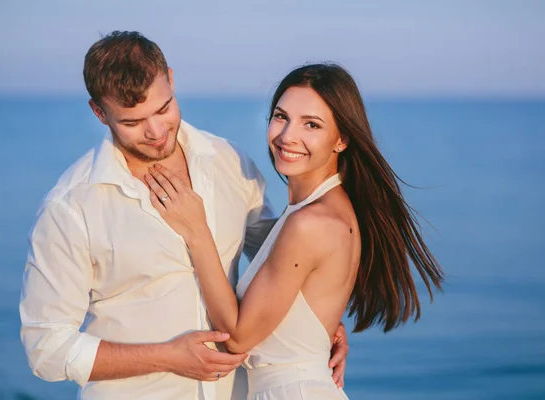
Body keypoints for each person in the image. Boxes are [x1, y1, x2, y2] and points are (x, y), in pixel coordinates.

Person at [19, 32, 349, 400]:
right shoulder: (72, 206)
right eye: (133, 122)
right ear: (99, 112)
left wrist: (314, 323)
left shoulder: (229, 162)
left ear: (171, 79)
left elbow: (281, 255)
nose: (156, 132)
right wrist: (166, 358)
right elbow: (46, 349)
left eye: (163, 109)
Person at [144, 63, 445, 399]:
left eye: (311, 125)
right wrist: (322, 330)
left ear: (342, 138)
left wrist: (196, 230)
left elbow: (240, 336)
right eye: (281, 116)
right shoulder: (321, 208)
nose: (288, 136)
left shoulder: (310, 222)